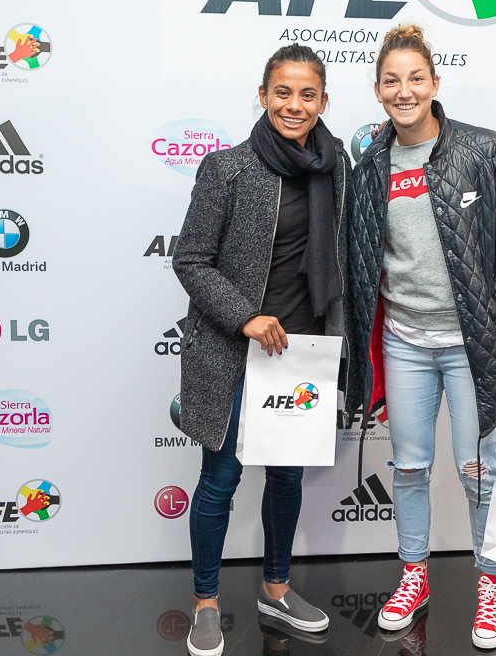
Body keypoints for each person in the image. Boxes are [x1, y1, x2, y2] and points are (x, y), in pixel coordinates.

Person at [345, 24, 496, 649]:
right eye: (391, 81)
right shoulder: (370, 164)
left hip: (474, 342)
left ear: (435, 84)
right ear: (378, 91)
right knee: (407, 466)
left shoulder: (483, 151)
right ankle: (415, 576)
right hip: (405, 340)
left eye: (415, 78)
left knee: (479, 468)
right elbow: (359, 258)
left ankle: (490, 582)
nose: (403, 91)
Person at [172, 44, 350, 656]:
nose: (294, 105)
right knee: (219, 479)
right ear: (262, 94)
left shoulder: (337, 167)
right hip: (234, 350)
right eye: (282, 92)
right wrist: (245, 317)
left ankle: (275, 590)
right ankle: (205, 603)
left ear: (324, 101)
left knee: (286, 478)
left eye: (307, 94)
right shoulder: (228, 168)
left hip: (303, 352)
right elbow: (190, 260)